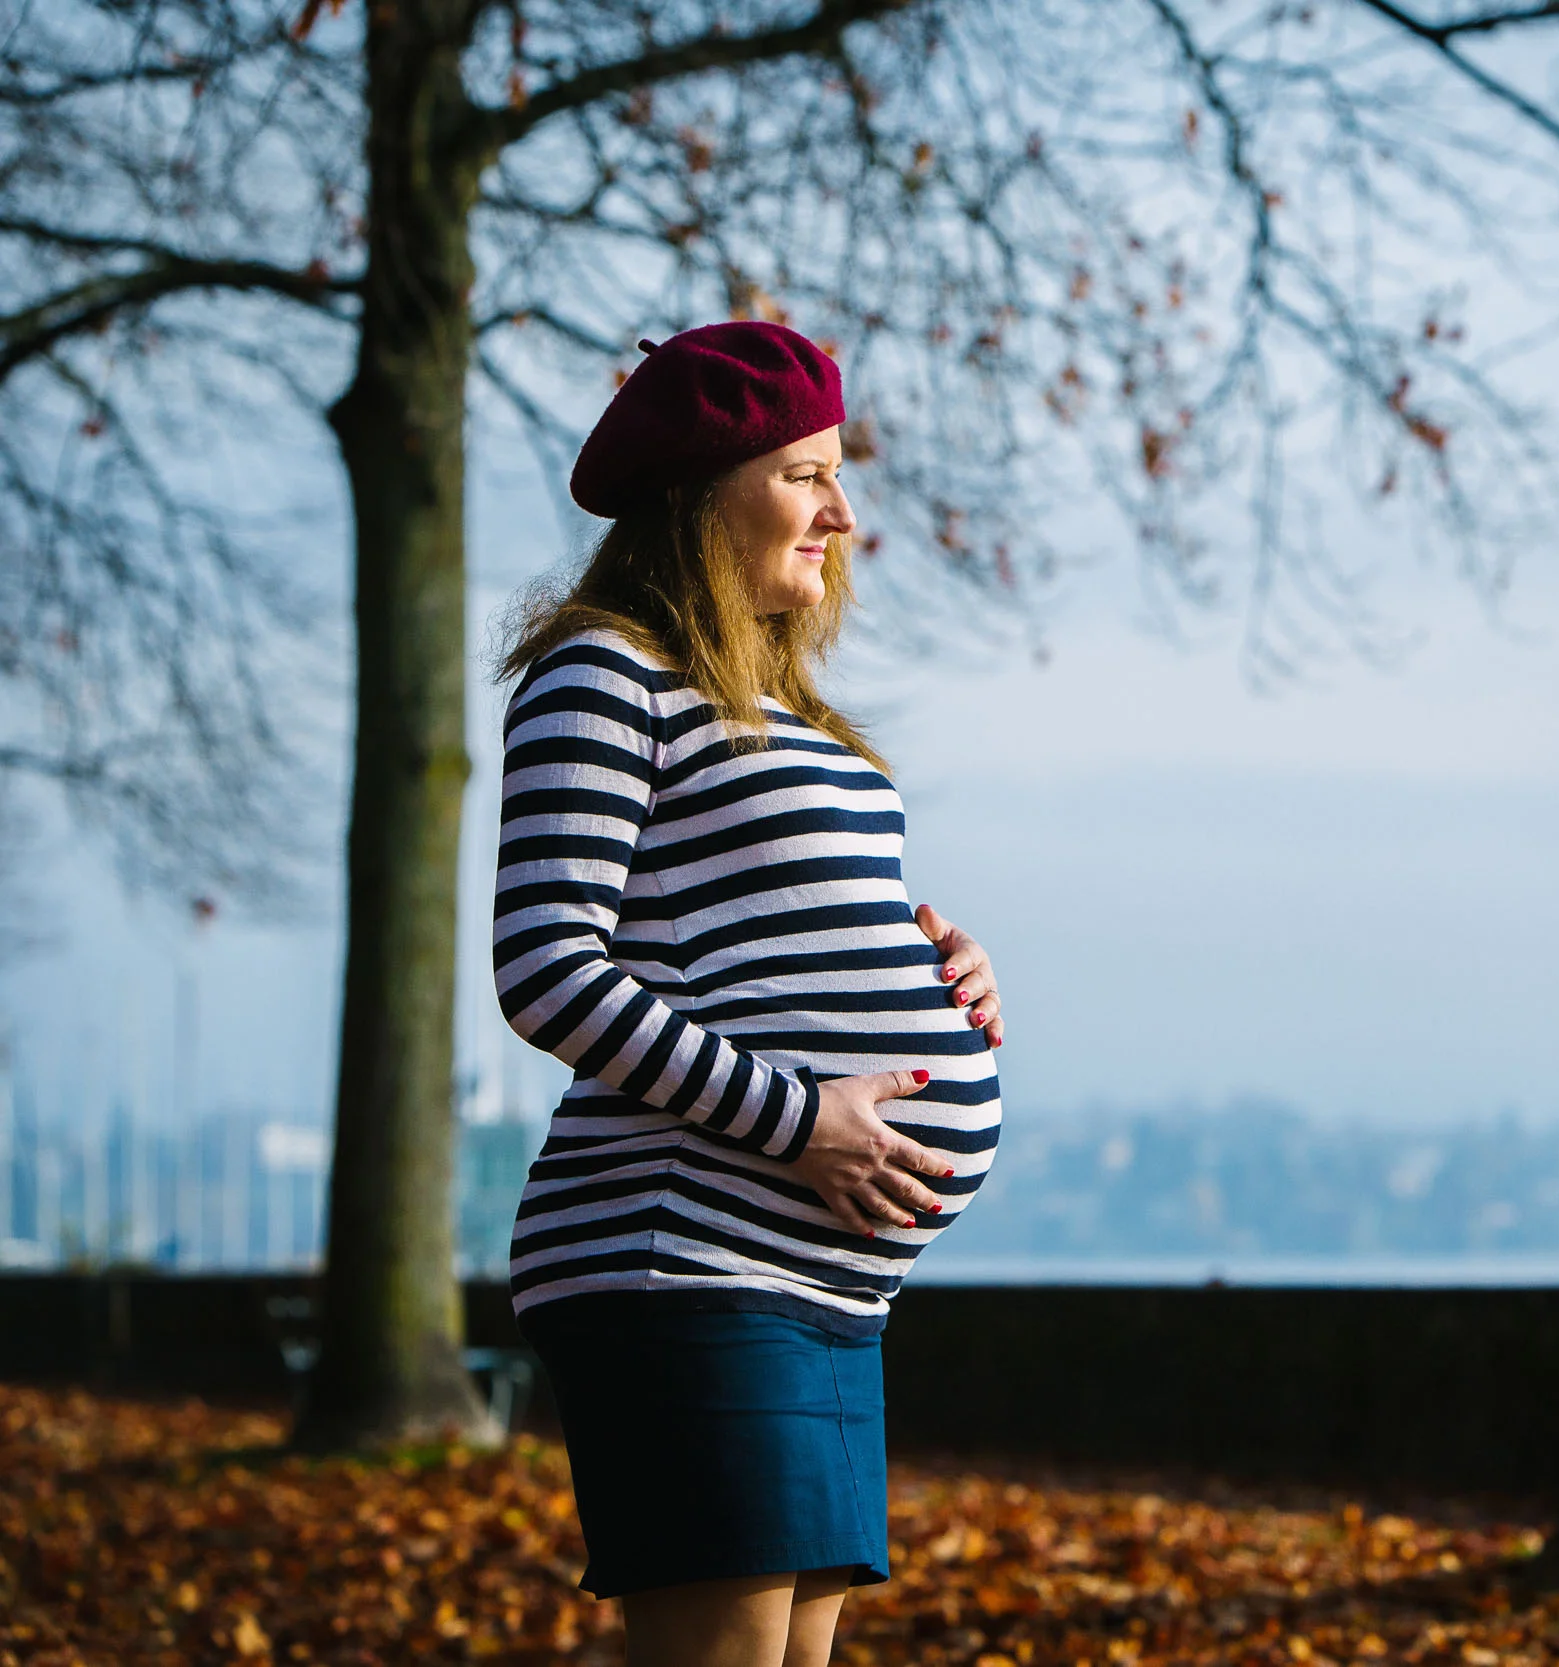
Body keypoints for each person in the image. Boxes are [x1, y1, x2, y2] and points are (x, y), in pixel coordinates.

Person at [491, 321, 1006, 1667]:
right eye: (804, 473)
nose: (842, 512)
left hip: (827, 1285)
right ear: (699, 487)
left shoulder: (797, 714)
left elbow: (776, 934)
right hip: (680, 1259)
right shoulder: (601, 672)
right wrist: (803, 1122)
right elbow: (546, 965)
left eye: (840, 474)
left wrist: (946, 969)